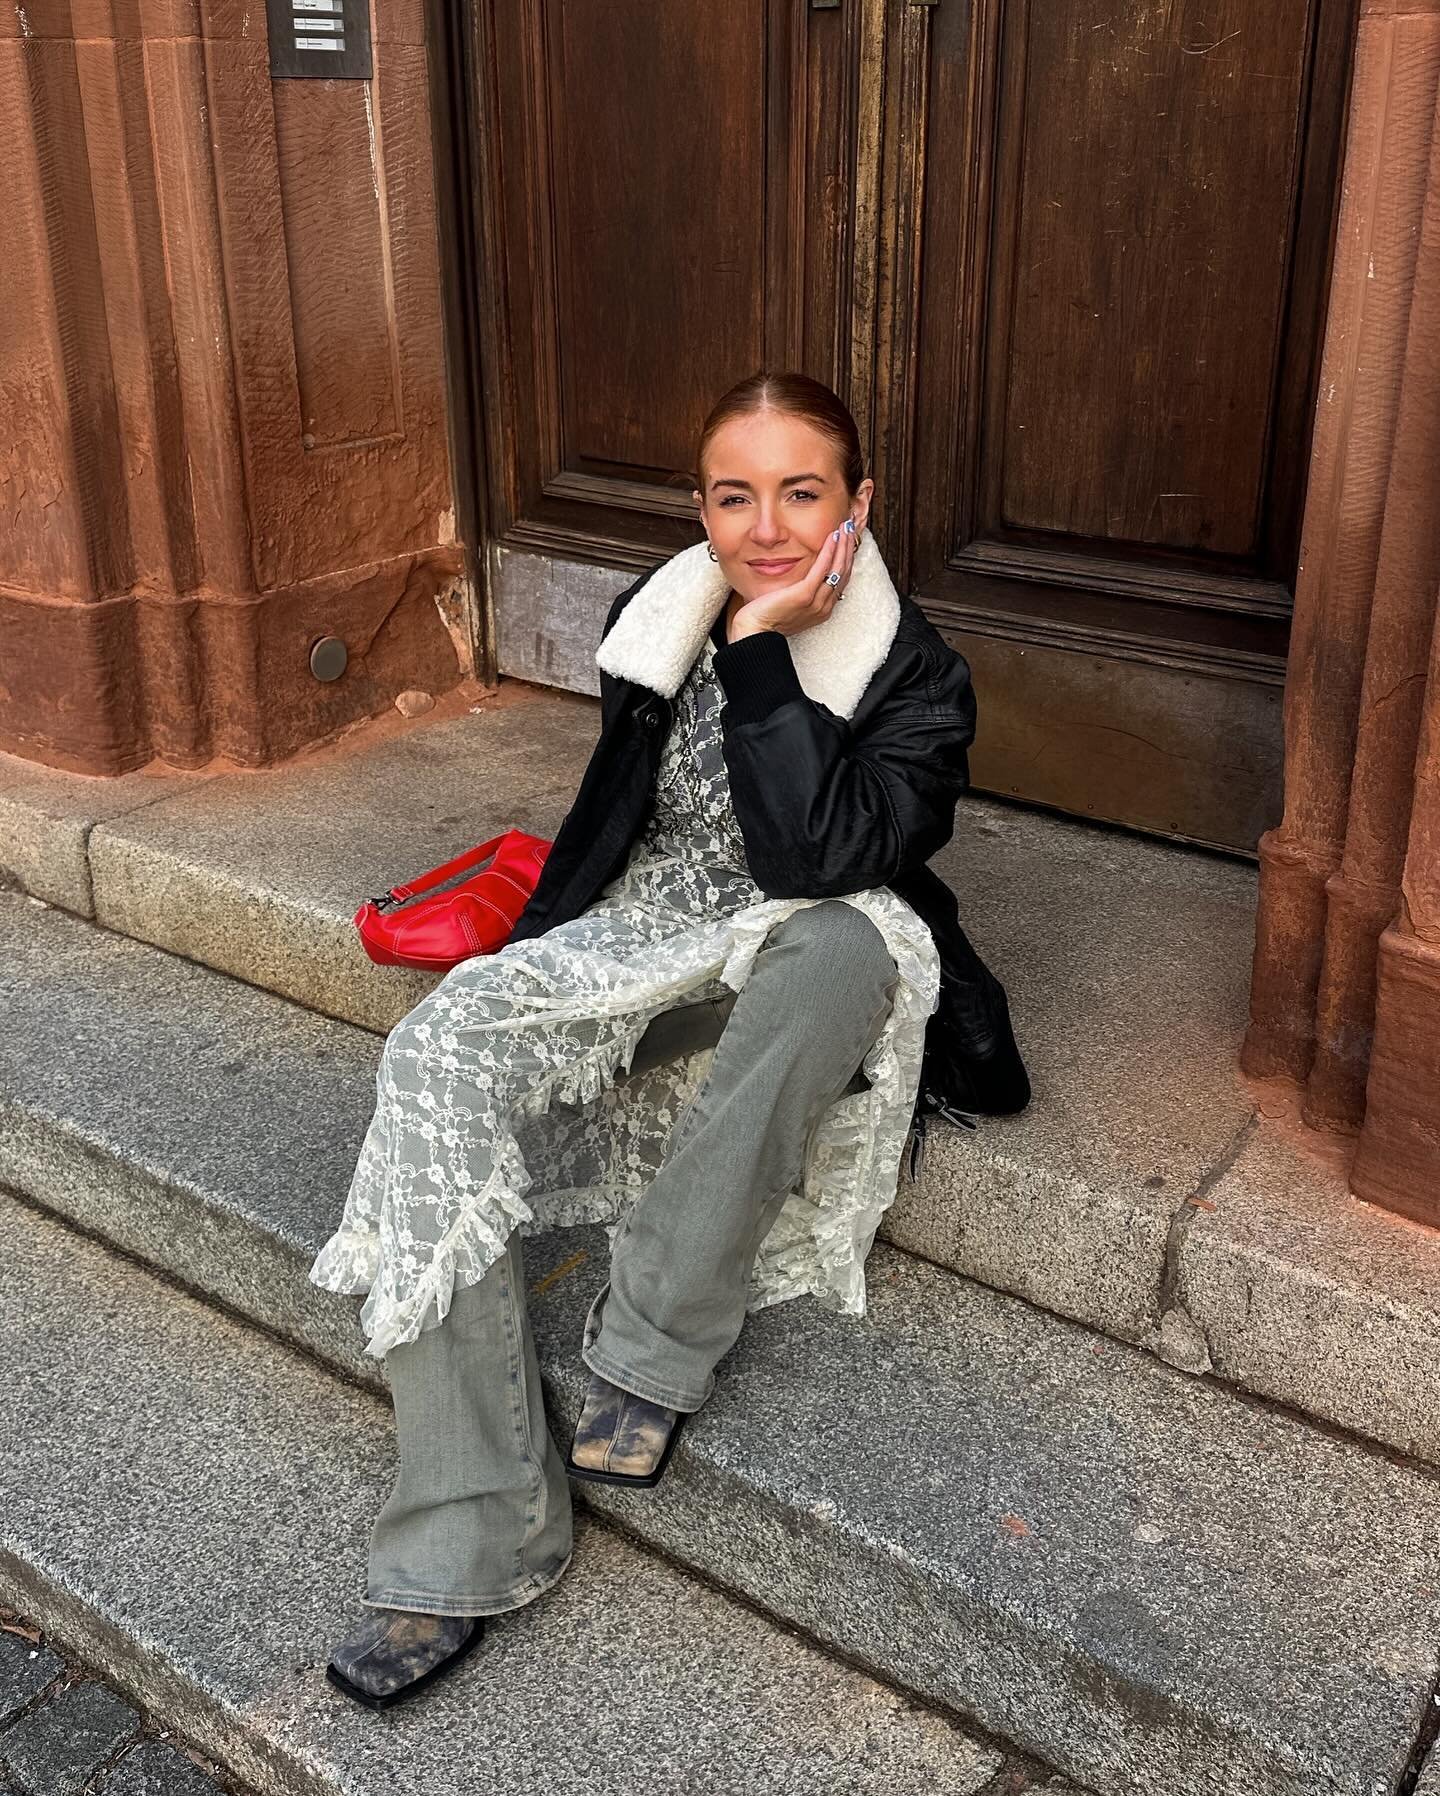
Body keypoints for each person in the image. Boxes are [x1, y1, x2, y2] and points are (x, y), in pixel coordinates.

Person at [310, 370, 1027, 1710]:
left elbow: (815, 855)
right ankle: (476, 1526)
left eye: (801, 493)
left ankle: (647, 1352)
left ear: (858, 505)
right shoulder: (658, 619)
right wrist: (541, 945)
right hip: (653, 931)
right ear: (700, 503)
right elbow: (629, 822)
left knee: (838, 951)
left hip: (819, 936)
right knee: (437, 1049)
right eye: (733, 495)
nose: (764, 527)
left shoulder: (918, 676)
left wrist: (763, 645)